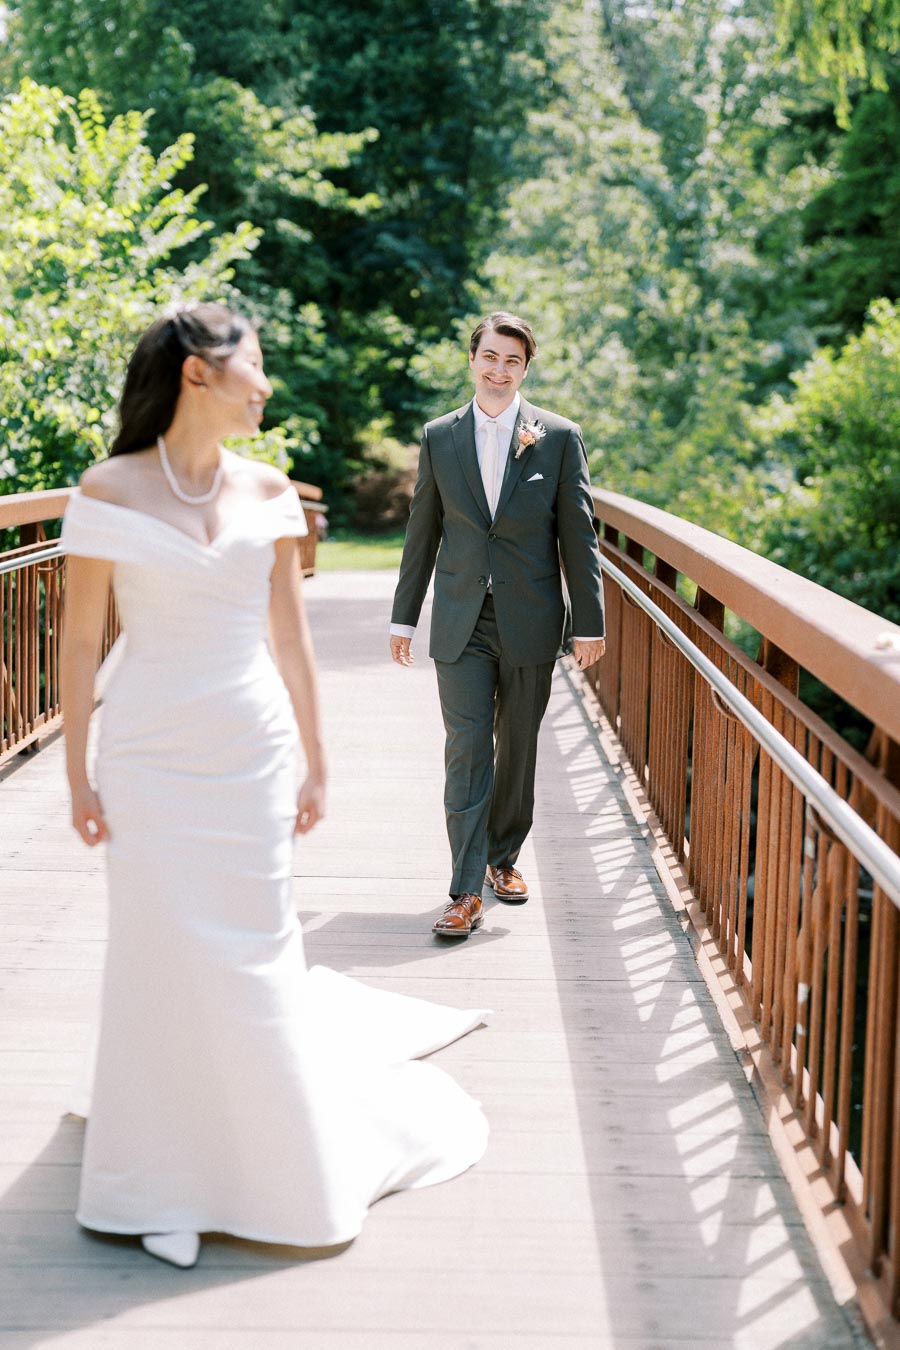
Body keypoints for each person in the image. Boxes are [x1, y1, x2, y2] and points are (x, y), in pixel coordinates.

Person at [60, 302, 488, 1271]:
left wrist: (317, 757)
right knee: (158, 949)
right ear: (197, 375)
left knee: (253, 951)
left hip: (246, 750)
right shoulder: (109, 489)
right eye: (253, 365)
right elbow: (83, 642)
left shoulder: (270, 492)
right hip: (147, 752)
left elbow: (291, 638)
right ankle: (159, 1176)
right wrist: (79, 775)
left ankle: (263, 1160)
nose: (266, 383)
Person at [390, 311, 606, 937]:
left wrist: (588, 623)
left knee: (517, 746)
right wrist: (405, 618)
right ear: (472, 359)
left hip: (531, 618)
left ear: (525, 369)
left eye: (512, 361)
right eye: (490, 356)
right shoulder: (439, 436)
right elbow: (422, 531)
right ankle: (463, 890)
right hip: (460, 620)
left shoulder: (559, 437)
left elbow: (579, 537)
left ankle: (503, 856)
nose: (499, 369)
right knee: (465, 748)